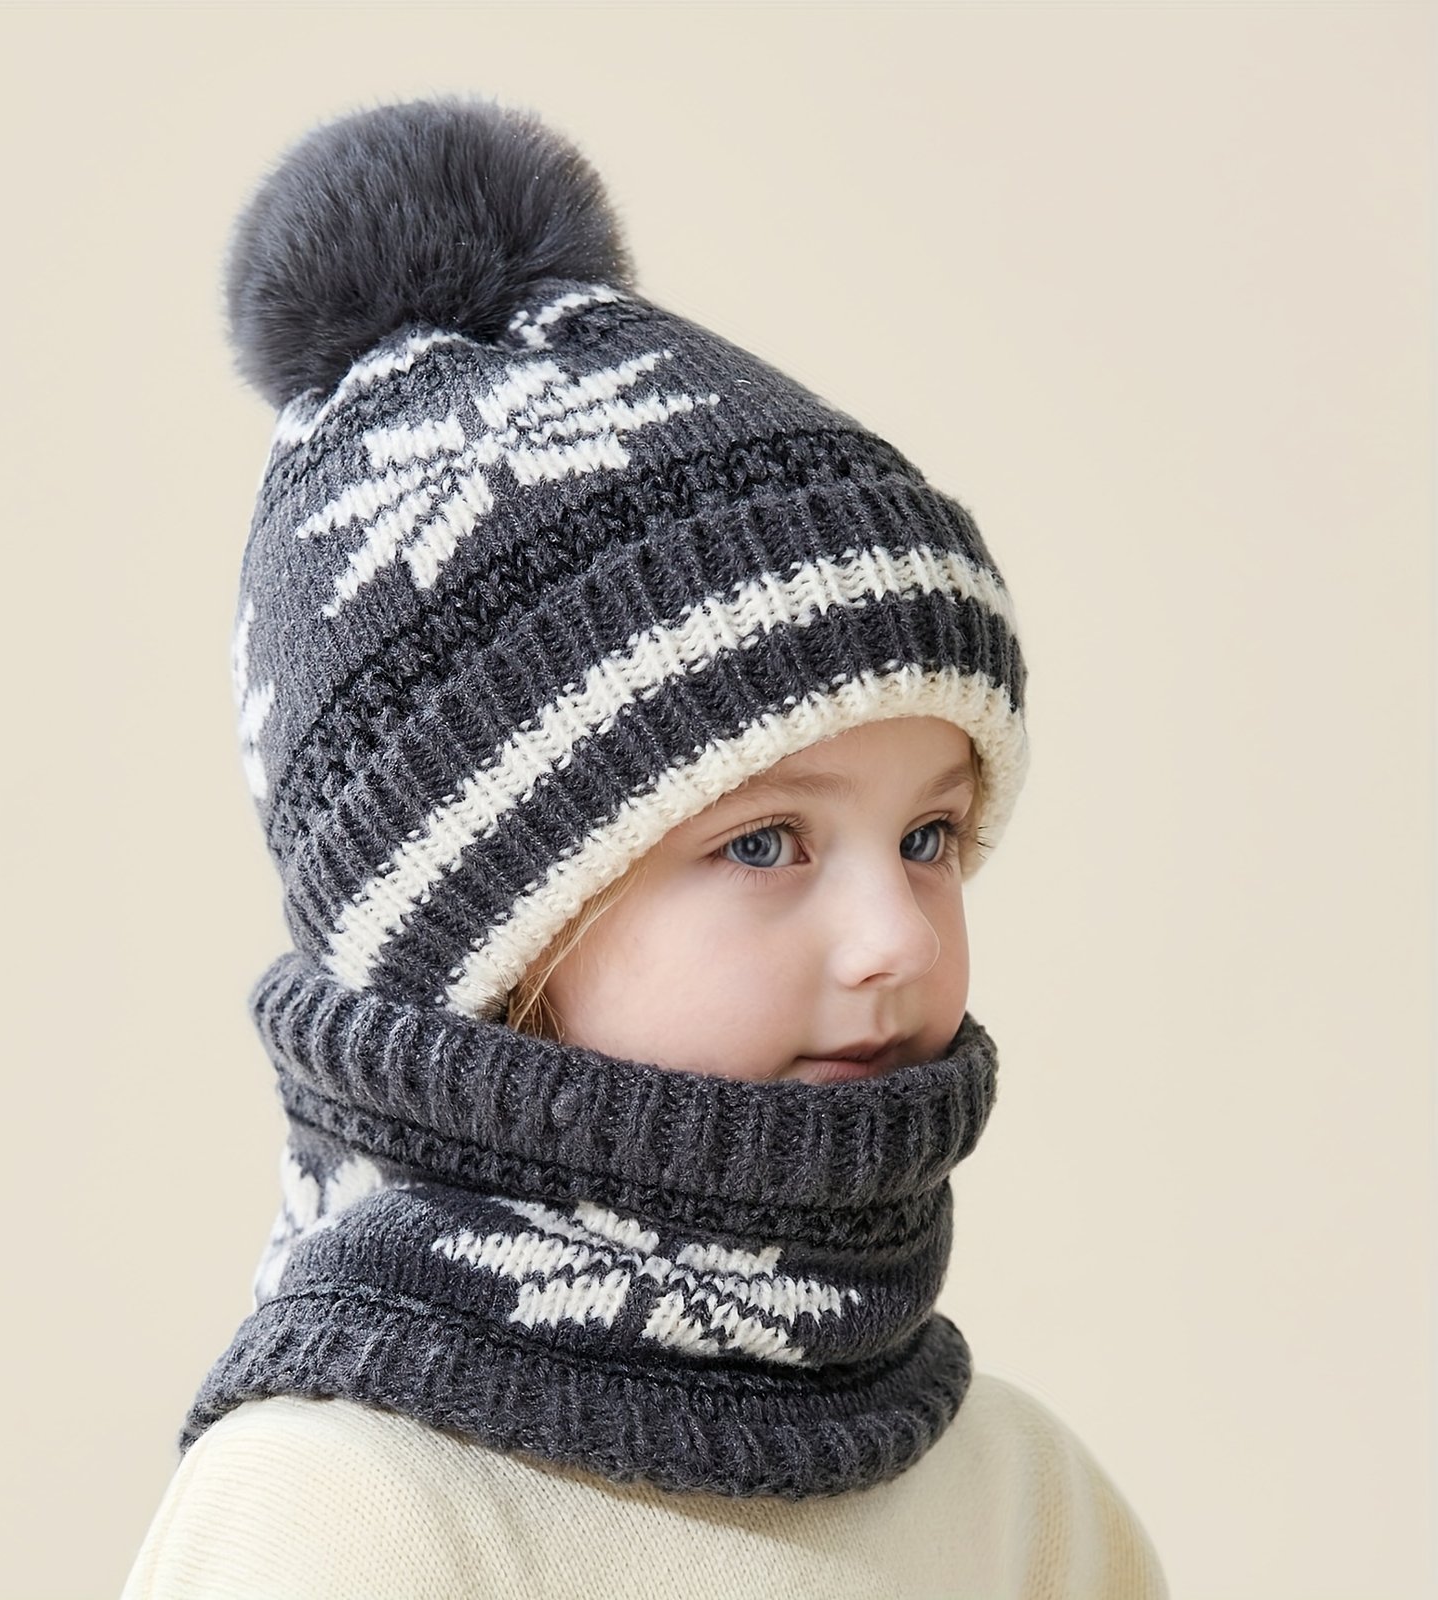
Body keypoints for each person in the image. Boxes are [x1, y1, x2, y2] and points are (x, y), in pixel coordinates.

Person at [122, 94, 1168, 1598]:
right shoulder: (347, 1509)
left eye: (931, 833)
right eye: (766, 843)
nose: (897, 935)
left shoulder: (1024, 1494)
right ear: (482, 936)